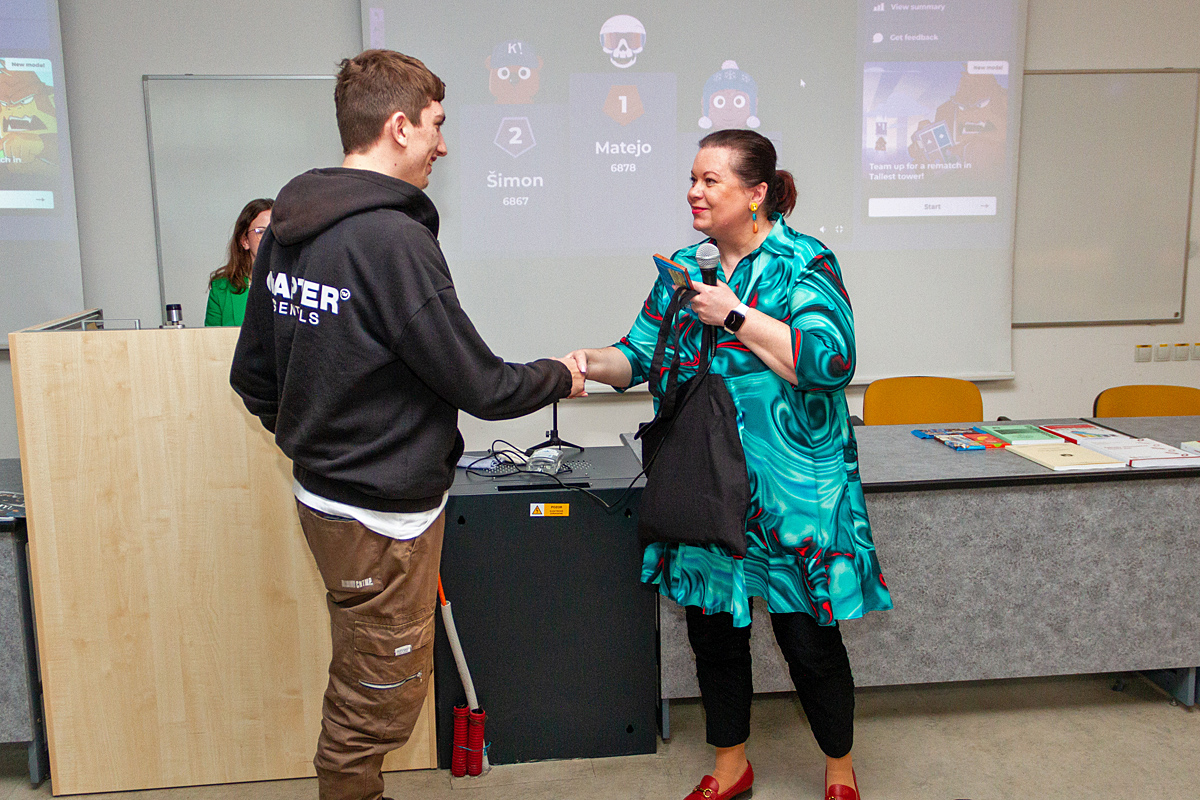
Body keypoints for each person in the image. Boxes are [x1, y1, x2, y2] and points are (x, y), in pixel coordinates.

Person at [229, 49, 585, 800]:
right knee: (377, 700)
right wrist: (564, 374)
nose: (442, 145)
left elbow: (253, 377)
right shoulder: (392, 241)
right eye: (436, 126)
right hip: (380, 516)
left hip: (328, 497)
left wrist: (318, 437)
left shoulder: (289, 228)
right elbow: (481, 384)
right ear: (399, 126)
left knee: (366, 669)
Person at [567, 129, 892, 800]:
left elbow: (831, 363)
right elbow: (638, 354)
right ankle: (730, 764)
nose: (694, 191)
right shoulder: (685, 269)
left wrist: (735, 315)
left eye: (710, 180)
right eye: (692, 178)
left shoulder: (804, 261)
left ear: (756, 193)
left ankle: (839, 768)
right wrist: (584, 364)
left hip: (793, 489)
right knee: (713, 631)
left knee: (808, 639)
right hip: (705, 483)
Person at [205, 198, 273, 326]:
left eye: (274, 231)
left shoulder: (298, 284)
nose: (269, 238)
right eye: (261, 232)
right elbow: (212, 338)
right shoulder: (221, 289)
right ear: (245, 241)